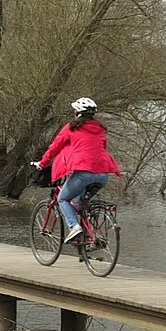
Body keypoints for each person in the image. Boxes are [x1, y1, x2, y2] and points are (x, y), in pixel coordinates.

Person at [37, 97, 121, 245]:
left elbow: (54, 147)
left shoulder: (72, 128)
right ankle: (90, 237)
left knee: (63, 199)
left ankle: (74, 227)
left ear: (78, 113)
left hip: (83, 172)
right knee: (83, 203)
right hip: (102, 174)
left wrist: (42, 163)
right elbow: (101, 150)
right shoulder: (100, 129)